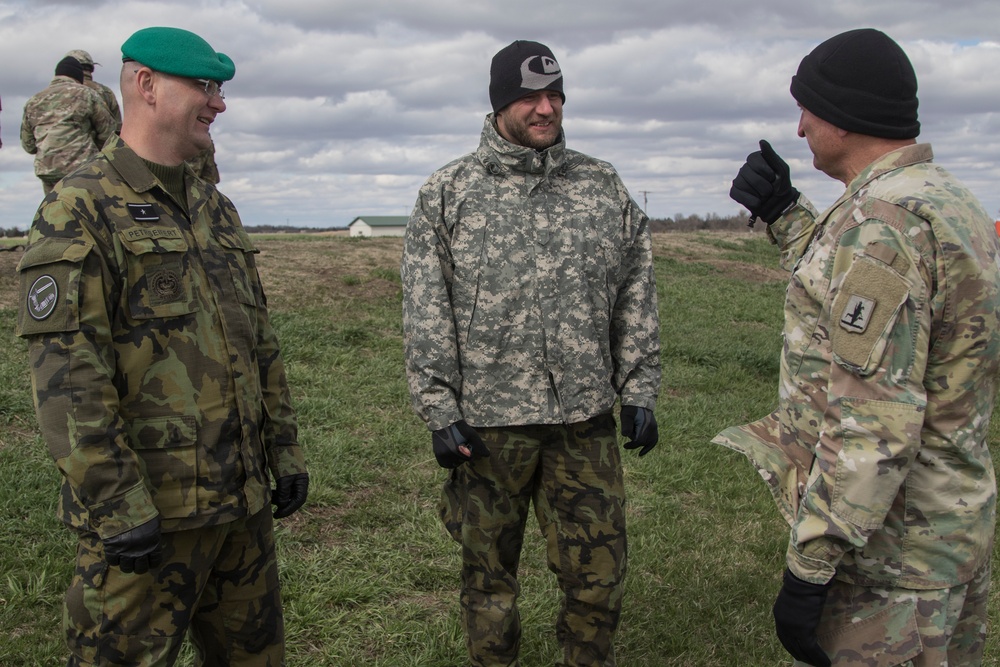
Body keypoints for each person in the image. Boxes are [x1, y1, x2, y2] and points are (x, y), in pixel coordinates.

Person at [15, 27, 308, 666]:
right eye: (204, 87)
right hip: (151, 520)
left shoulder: (216, 209)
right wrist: (118, 506)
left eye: (220, 88)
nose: (218, 103)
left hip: (242, 509)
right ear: (145, 86)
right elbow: (69, 380)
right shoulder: (79, 207)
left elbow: (259, 345)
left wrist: (282, 453)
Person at [714, 28, 1000, 666]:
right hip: (947, 537)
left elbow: (873, 421)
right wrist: (788, 214)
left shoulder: (885, 225)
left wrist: (811, 563)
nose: (799, 128)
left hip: (891, 564)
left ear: (843, 115)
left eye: (806, 109)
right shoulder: (945, 200)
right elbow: (861, 302)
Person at [402, 39, 661, 667]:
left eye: (555, 95)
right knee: (488, 578)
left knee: (598, 574)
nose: (546, 109)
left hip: (585, 421)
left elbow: (635, 289)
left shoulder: (601, 185)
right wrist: (438, 407)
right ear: (500, 105)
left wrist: (640, 388)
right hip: (489, 427)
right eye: (530, 98)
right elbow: (424, 303)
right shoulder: (448, 192)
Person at [20, 55, 117, 195]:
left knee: (54, 212)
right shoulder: (87, 94)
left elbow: (28, 145)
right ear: (77, 76)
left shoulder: (33, 101)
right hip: (82, 169)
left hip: (47, 170)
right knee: (86, 212)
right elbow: (108, 132)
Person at [66, 48, 123, 131]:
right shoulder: (106, 92)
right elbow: (118, 128)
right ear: (91, 68)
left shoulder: (61, 91)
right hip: (104, 142)